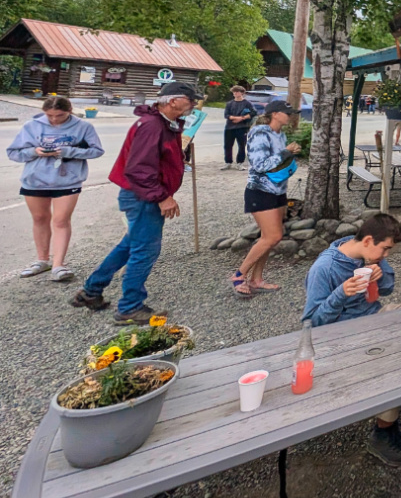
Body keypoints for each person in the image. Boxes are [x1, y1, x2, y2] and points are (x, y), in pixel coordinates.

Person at [70, 82, 196, 324]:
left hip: (141, 195)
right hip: (143, 197)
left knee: (130, 246)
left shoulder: (162, 123)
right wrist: (162, 197)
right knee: (145, 249)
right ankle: (129, 307)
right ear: (173, 101)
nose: (193, 105)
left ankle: (91, 290)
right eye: (190, 100)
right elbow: (138, 169)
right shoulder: (152, 125)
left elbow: (157, 158)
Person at [301, 213, 401, 465]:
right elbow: (311, 324)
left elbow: (385, 290)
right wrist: (340, 293)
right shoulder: (325, 268)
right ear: (367, 240)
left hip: (374, 317)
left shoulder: (368, 253)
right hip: (344, 335)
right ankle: (383, 432)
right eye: (385, 249)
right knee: (395, 359)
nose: (386, 255)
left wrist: (380, 270)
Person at [7, 96, 105, 282]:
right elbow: (13, 153)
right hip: (35, 180)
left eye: (59, 115)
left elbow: (97, 151)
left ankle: (59, 264)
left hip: (68, 180)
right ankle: (42, 260)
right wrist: (33, 152)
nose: (53, 119)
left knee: (61, 220)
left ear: (69, 111)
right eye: (49, 115)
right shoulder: (32, 126)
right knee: (39, 218)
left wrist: (69, 151)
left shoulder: (83, 127)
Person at [232, 100, 301, 298]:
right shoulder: (260, 133)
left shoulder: (281, 134)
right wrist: (286, 152)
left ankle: (257, 279)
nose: (291, 116)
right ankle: (239, 275)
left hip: (278, 191)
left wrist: (289, 153)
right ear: (275, 114)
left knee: (267, 239)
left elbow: (280, 161)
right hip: (260, 191)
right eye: (288, 113)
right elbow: (260, 164)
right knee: (273, 237)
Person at [223, 85, 255, 170]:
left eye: (237, 92)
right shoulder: (229, 103)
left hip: (242, 127)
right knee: (228, 145)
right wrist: (235, 118)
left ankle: (240, 163)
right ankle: (228, 162)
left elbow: (253, 113)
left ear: (242, 93)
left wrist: (242, 118)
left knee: (241, 145)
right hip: (229, 127)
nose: (235, 93)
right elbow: (226, 115)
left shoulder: (247, 103)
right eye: (234, 92)